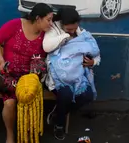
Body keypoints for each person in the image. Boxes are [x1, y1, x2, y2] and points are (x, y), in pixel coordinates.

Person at [0, 3, 53, 143]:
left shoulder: (48, 35)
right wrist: (1, 61)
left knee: (30, 100)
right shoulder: (15, 25)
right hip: (10, 73)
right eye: (48, 20)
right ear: (38, 18)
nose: (51, 23)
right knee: (10, 104)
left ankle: (27, 135)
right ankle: (10, 135)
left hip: (31, 77)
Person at [43, 8, 101, 140]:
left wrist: (93, 62)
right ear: (61, 24)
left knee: (88, 95)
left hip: (78, 76)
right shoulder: (53, 30)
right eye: (69, 29)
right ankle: (59, 125)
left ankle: (58, 113)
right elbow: (47, 47)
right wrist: (66, 36)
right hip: (57, 76)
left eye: (74, 28)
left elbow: (95, 52)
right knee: (66, 94)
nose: (73, 32)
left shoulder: (82, 34)